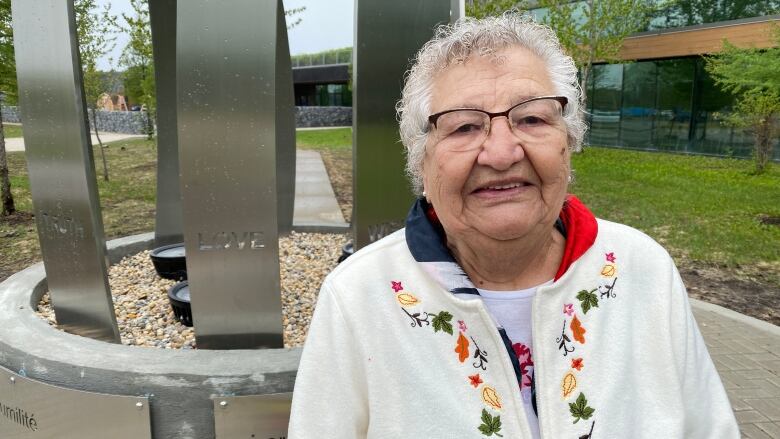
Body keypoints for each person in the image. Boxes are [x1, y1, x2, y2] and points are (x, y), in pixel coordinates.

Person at [289, 14, 738, 439]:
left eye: (531, 118)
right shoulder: (358, 296)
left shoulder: (643, 269)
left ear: (569, 143)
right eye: (464, 126)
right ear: (422, 162)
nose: (502, 154)